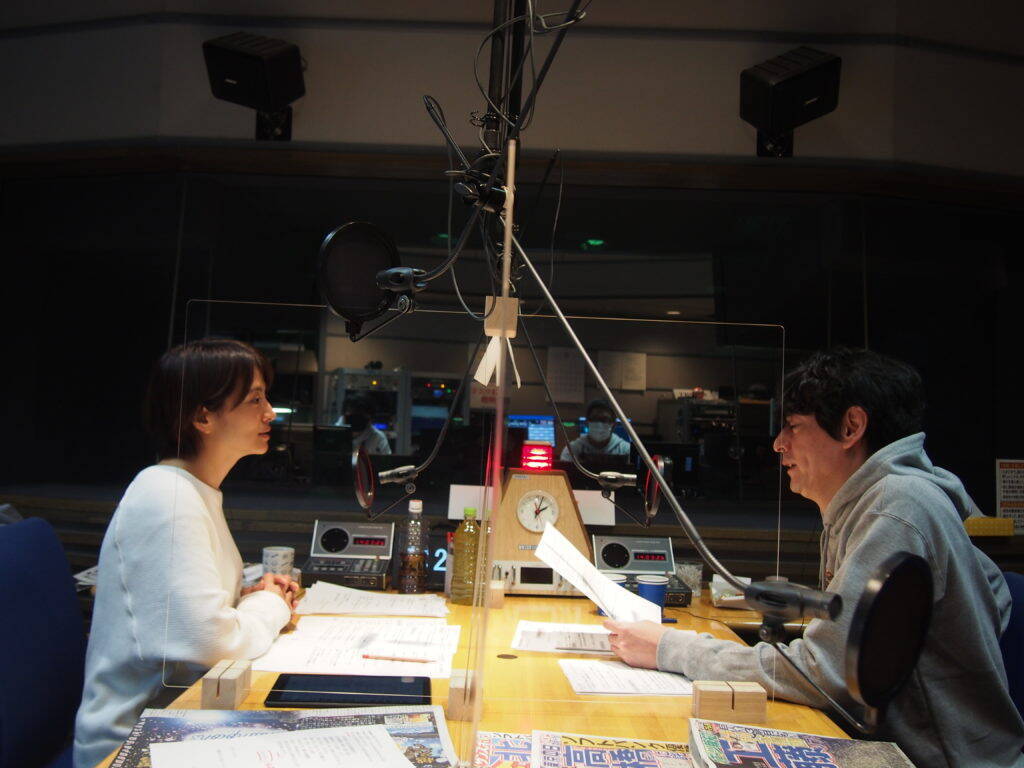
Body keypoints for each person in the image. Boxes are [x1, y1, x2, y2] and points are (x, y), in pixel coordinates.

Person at [604, 348, 1024, 768]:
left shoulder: (895, 508)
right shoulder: (877, 503)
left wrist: (671, 648)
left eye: (793, 426)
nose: (778, 444)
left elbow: (825, 673)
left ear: (851, 427)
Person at [74, 339, 299, 768]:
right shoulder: (167, 496)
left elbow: (194, 620)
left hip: (179, 722)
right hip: (131, 745)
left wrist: (250, 599)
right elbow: (208, 641)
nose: (270, 412)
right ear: (202, 416)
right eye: (255, 400)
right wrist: (271, 604)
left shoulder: (191, 490)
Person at [560, 399, 630, 461]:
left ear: (613, 424)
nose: (599, 423)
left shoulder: (626, 450)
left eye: (604, 419)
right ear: (586, 423)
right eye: (594, 418)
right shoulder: (572, 450)